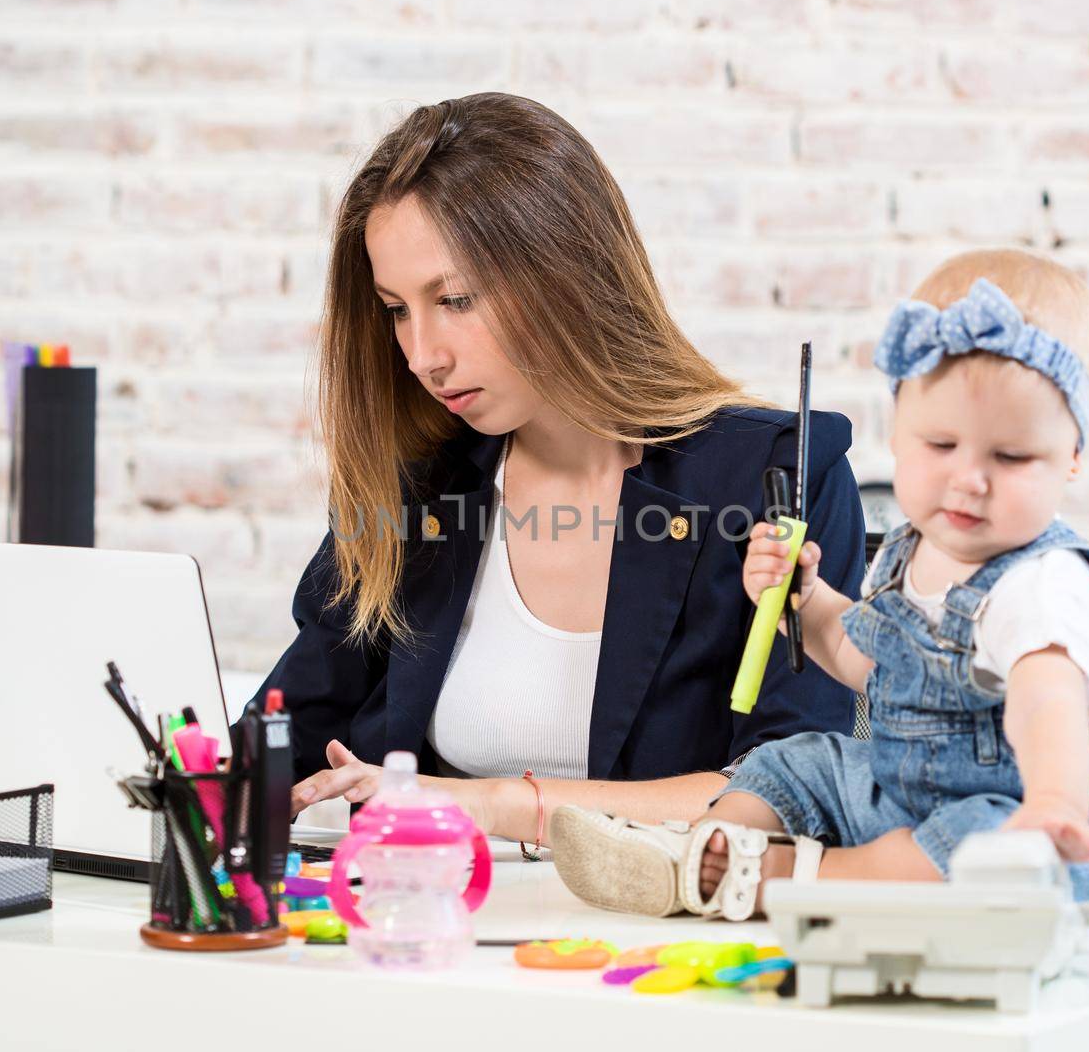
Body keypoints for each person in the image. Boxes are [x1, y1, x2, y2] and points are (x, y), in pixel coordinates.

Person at [255, 92, 867, 846]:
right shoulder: (420, 488)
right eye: (396, 309)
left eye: (454, 299)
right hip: (424, 931)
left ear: (565, 270)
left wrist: (488, 805)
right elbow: (284, 726)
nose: (422, 355)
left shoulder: (776, 478)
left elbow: (794, 790)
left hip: (663, 948)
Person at [550, 248, 1089, 918]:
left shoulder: (1046, 584)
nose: (969, 478)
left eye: (1010, 456)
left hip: (1035, 824)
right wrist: (804, 603)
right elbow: (866, 662)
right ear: (899, 431)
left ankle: (778, 878)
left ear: (1072, 456)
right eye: (940, 445)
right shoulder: (913, 552)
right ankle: (704, 849)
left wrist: (1051, 809)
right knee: (793, 760)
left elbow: (1048, 708)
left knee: (978, 841)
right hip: (910, 795)